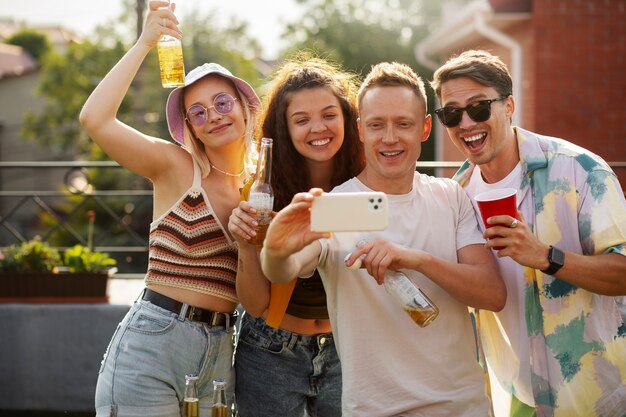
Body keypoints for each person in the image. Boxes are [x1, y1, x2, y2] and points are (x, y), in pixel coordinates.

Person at [258, 61, 507, 416]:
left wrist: (415, 258)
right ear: (360, 130)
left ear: (424, 127)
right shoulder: (337, 206)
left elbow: (492, 294)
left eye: (403, 124)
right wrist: (275, 249)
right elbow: (284, 269)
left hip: (462, 407)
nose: (389, 138)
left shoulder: (450, 197)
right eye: (376, 125)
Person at [79, 1, 260, 416]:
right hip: (152, 344)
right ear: (190, 128)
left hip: (220, 355)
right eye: (198, 113)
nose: (212, 115)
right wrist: (145, 42)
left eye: (221, 103)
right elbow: (95, 119)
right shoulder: (177, 167)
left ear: (243, 106)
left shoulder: (260, 189)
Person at [430, 49, 626, 417]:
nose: (466, 122)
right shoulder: (456, 193)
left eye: (478, 107)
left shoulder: (580, 169)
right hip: (516, 397)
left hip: (598, 396)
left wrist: (547, 257)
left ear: (509, 106)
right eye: (452, 113)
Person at [227, 56, 365, 416]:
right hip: (271, 351)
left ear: (348, 119)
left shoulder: (368, 185)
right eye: (301, 120)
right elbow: (255, 304)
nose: (318, 128)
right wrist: (245, 242)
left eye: (329, 115)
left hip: (347, 347)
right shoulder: (260, 196)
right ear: (283, 129)